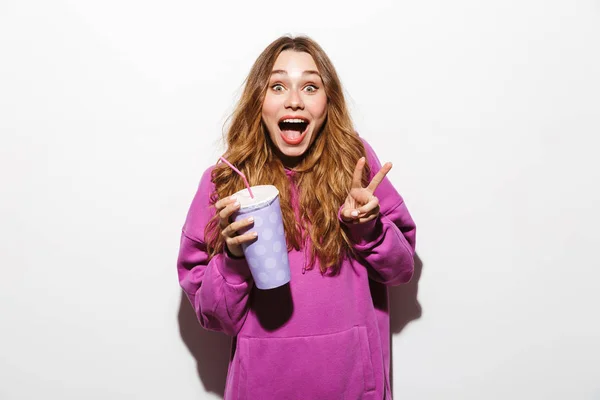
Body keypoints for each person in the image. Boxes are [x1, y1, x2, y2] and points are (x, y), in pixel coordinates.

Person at [177, 35, 416, 400]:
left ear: (327, 101)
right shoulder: (224, 182)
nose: (294, 100)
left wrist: (367, 227)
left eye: (310, 86)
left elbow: (401, 270)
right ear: (259, 100)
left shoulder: (355, 163)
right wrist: (234, 258)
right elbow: (215, 317)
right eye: (277, 86)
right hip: (261, 386)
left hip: (353, 385)